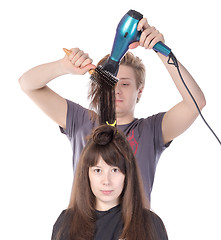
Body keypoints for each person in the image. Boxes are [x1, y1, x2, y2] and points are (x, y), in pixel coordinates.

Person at [18, 17, 206, 201]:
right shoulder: (81, 121)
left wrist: (162, 51)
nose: (116, 91)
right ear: (98, 86)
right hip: (82, 229)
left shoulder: (152, 131)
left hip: (133, 231)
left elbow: (195, 103)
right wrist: (62, 66)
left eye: (124, 84)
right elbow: (28, 84)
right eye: (111, 83)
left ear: (139, 92)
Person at [51, 124, 168, 240]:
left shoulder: (150, 224)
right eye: (98, 170)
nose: (106, 181)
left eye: (115, 170)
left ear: (127, 174)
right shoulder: (66, 223)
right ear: (86, 174)